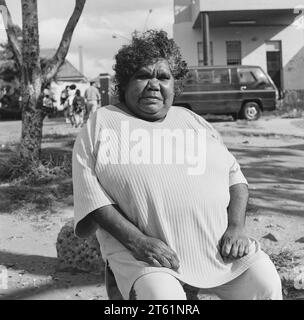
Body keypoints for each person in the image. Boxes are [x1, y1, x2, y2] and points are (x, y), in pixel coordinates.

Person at [72, 30, 282, 300]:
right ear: (124, 82)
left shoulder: (192, 121)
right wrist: (139, 242)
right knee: (163, 297)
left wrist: (236, 228)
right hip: (145, 257)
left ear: (175, 85)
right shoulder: (101, 124)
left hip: (218, 250)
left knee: (265, 283)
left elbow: (236, 179)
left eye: (163, 77)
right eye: (143, 75)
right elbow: (92, 197)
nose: (153, 84)